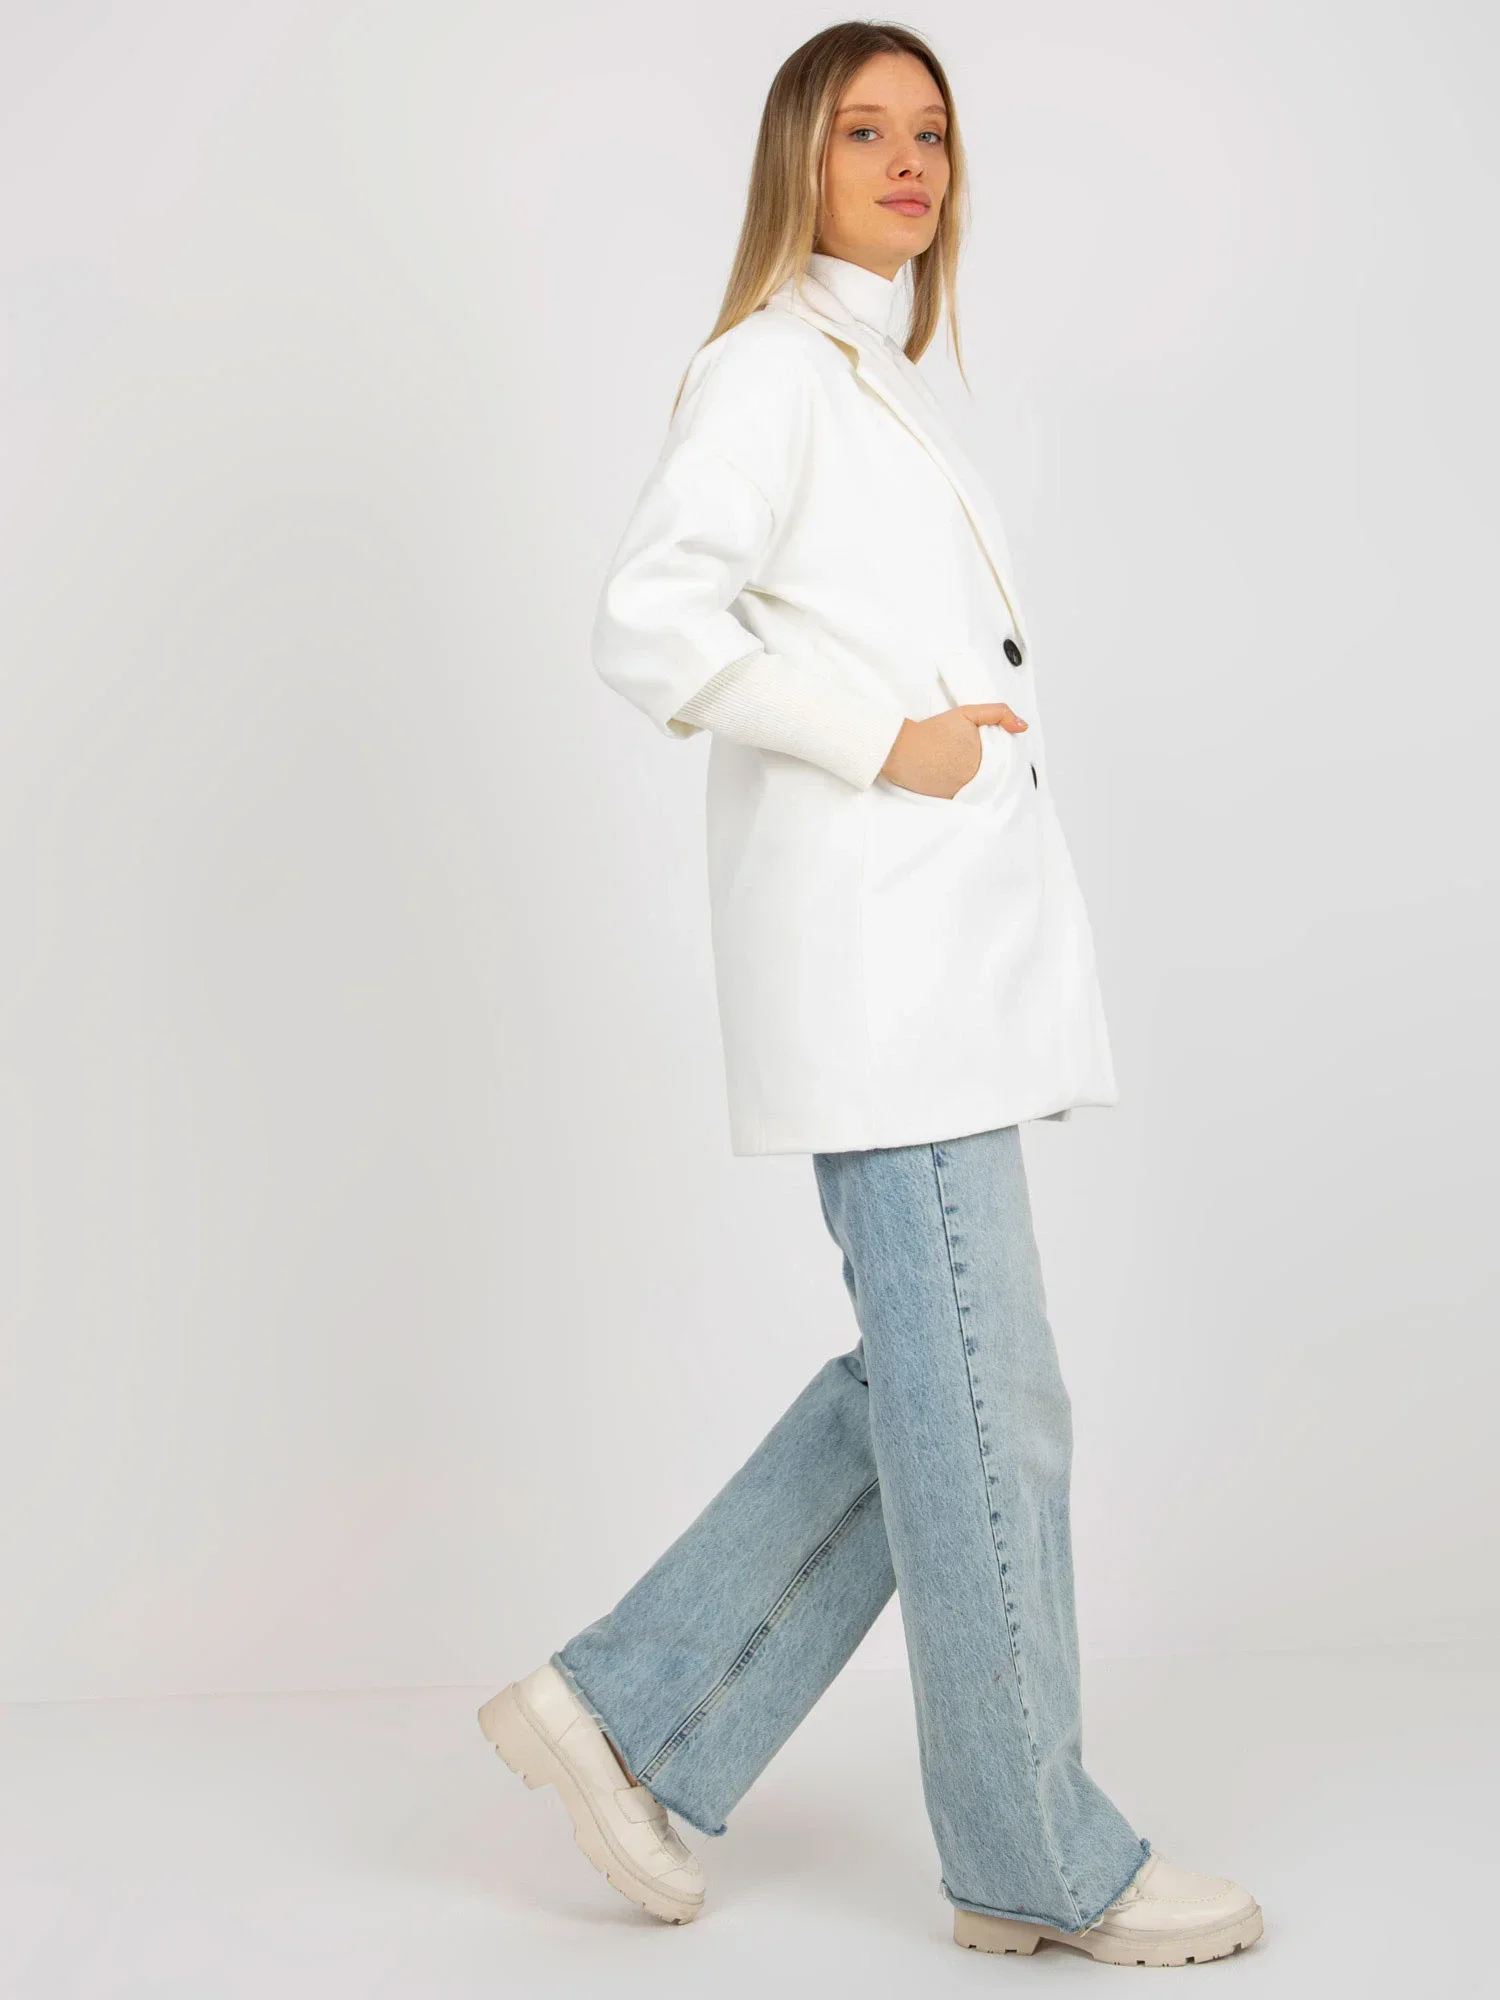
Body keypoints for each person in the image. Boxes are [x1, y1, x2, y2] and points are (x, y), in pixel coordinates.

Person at [477, 20, 1264, 1969]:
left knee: (957, 1397)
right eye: (864, 133)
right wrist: (886, 741)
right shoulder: (769, 373)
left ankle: (628, 1713)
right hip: (884, 973)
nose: (910, 161)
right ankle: (1033, 1852)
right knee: (985, 1407)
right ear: (797, 164)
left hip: (937, 971)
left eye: (932, 132)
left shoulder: (875, 380)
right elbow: (649, 621)